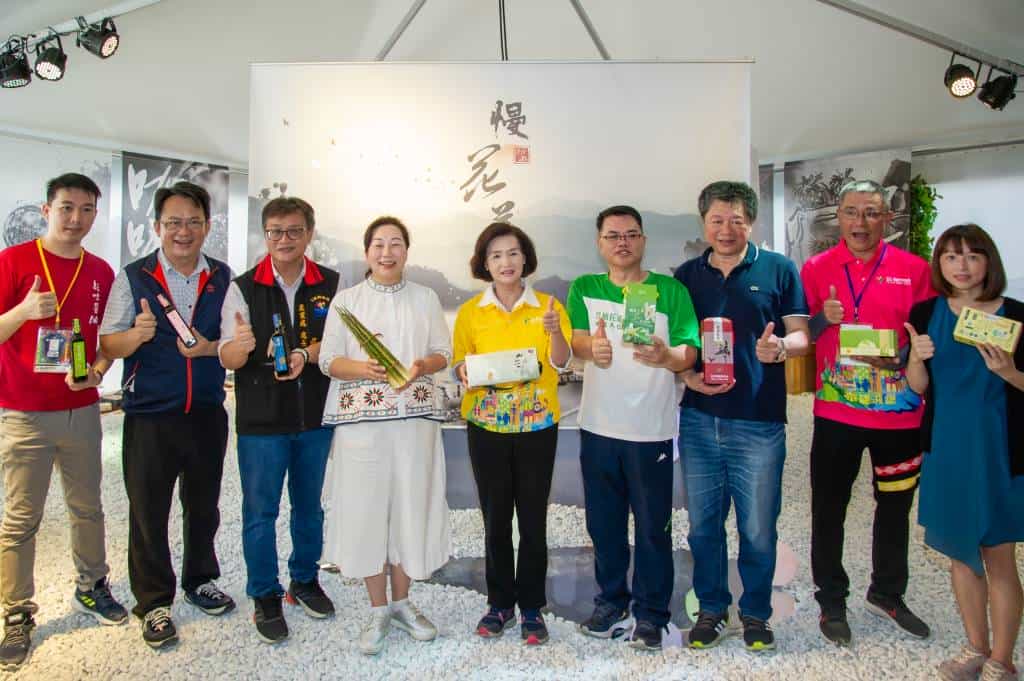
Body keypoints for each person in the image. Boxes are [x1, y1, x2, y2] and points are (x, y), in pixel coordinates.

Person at [675, 181, 809, 652]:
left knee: (757, 527)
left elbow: (801, 335)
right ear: (704, 223)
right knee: (703, 526)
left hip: (759, 420)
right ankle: (712, 609)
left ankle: (755, 613)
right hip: (699, 420)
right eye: (717, 220)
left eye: (736, 220)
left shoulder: (779, 269)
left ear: (751, 222)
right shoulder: (686, 276)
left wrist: (782, 347)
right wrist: (686, 375)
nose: (726, 229)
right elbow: (679, 343)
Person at [99, 181, 234, 649]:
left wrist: (215, 347)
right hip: (151, 415)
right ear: (157, 227)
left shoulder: (222, 276)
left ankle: (200, 579)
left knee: (204, 506)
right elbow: (107, 342)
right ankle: (154, 600)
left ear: (207, 227)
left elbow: (233, 341)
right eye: (174, 222)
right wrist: (134, 335)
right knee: (148, 511)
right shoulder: (134, 276)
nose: (183, 231)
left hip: (207, 413)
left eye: (193, 222)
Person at [800, 179, 935, 646]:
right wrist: (824, 318)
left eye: (872, 213)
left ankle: (888, 593)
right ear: (839, 217)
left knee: (895, 508)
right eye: (852, 212)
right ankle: (831, 600)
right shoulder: (815, 268)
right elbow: (802, 334)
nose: (861, 223)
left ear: (887, 219)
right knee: (828, 508)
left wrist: (901, 357)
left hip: (899, 416)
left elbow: (927, 335)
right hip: (836, 414)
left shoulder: (915, 270)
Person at [0, 174, 126, 669]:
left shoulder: (100, 271)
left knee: (87, 507)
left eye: (87, 209)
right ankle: (16, 611)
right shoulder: (13, 262)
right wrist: (23, 311)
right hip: (24, 413)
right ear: (46, 209)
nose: (76, 219)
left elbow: (108, 341)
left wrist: (97, 371)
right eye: (67, 207)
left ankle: (92, 585)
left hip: (80, 409)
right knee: (20, 518)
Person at [568, 205, 700, 651]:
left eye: (630, 234)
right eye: (612, 235)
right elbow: (575, 338)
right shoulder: (586, 288)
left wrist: (668, 357)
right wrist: (592, 347)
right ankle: (611, 604)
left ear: (642, 240)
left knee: (652, 528)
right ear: (600, 243)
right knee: (604, 526)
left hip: (650, 430)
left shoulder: (670, 290)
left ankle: (651, 615)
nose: (622, 242)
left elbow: (689, 351)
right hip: (598, 427)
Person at [319, 216, 451, 656]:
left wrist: (422, 366)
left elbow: (443, 352)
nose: (387, 252)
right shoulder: (346, 302)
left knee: (410, 504)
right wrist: (365, 368)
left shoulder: (425, 298)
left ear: (406, 251)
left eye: (396, 244)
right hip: (362, 427)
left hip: (415, 423)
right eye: (378, 244)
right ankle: (378, 608)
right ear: (367, 251)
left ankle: (403, 602)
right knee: (367, 509)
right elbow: (329, 361)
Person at [219, 197, 341, 643]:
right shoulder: (243, 287)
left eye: (293, 231)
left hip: (314, 419)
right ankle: (265, 593)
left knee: (309, 508)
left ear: (309, 233)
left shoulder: (331, 284)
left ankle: (304, 580)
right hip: (261, 422)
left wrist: (306, 354)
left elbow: (339, 344)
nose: (284, 239)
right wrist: (240, 346)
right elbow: (227, 356)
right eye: (275, 231)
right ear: (265, 235)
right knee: (260, 511)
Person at [905, 224, 1024, 681]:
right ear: (939, 264)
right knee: (959, 552)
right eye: (952, 256)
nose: (963, 265)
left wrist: (1010, 372)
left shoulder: (1016, 316)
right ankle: (976, 646)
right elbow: (918, 388)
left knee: (999, 556)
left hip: (999, 450)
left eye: (973, 256)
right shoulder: (926, 312)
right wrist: (916, 357)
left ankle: (1002, 659)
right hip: (946, 448)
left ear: (989, 262)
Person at [451, 222, 572, 645]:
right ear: (485, 263)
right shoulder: (471, 312)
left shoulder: (549, 306)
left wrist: (554, 331)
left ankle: (533, 607)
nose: (506, 262)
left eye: (513, 253)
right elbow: (460, 362)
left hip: (537, 425)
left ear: (526, 258)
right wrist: (463, 372)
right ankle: (500, 603)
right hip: (486, 426)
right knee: (496, 518)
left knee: (533, 518)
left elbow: (561, 363)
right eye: (496, 255)